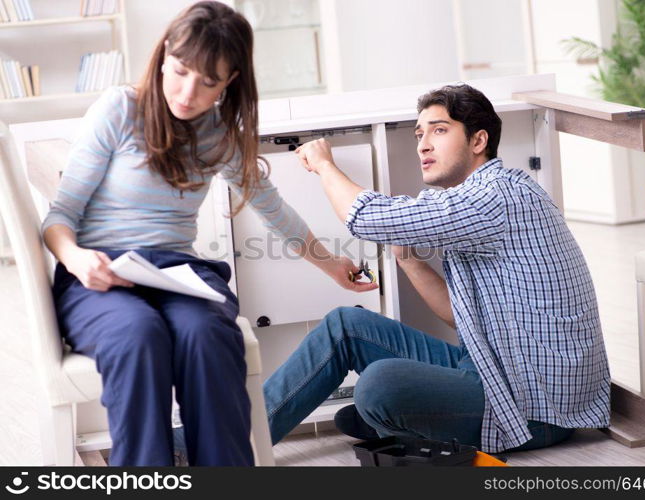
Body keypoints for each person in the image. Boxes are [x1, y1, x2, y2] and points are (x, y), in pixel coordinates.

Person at [42, 1, 375, 467]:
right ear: (163, 56)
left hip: (176, 274)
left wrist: (330, 264)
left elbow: (275, 211)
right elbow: (59, 217)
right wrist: (77, 260)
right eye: (179, 71)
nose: (187, 92)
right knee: (138, 335)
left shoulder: (220, 136)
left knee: (207, 335)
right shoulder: (119, 110)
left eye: (208, 82)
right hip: (99, 274)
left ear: (230, 81)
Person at [263, 83, 611, 454]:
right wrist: (406, 256)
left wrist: (323, 164)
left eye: (439, 130)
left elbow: (364, 217)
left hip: (535, 408)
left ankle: (400, 416)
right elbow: (461, 319)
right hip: (495, 370)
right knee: (345, 327)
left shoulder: (494, 197)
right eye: (419, 133)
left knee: (380, 385)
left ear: (478, 141)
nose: (423, 144)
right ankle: (232, 440)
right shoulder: (479, 198)